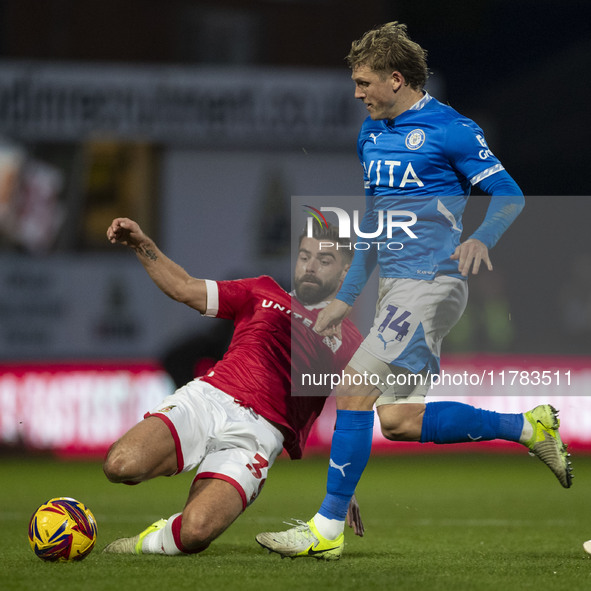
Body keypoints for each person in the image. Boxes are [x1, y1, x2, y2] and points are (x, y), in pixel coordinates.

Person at [255, 21, 571, 561]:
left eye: (364, 83)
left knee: (354, 387)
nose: (357, 94)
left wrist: (479, 238)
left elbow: (510, 194)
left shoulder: (452, 129)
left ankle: (325, 531)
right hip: (395, 287)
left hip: (433, 283)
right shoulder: (370, 135)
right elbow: (379, 225)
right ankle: (528, 427)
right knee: (399, 421)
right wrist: (346, 297)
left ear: (396, 79)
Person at [101, 216, 365, 556]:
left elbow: (355, 411)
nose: (311, 266)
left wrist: (344, 487)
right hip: (209, 399)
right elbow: (183, 286)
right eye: (305, 256)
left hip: (258, 437)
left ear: (345, 273)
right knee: (120, 465)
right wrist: (141, 243)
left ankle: (146, 542)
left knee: (196, 532)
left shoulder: (351, 344)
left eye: (324, 260)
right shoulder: (262, 291)